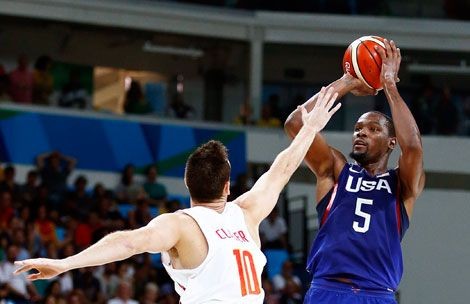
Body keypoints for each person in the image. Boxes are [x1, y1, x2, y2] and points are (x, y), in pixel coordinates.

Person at [13, 87, 341, 303]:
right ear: (228, 187)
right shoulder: (247, 212)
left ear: (187, 184)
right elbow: (282, 169)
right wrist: (310, 128)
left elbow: (127, 242)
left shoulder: (180, 225)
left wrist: (64, 263)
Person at [284, 39, 425, 303]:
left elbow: (414, 148)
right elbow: (295, 124)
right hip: (327, 290)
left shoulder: (401, 184)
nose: (361, 132)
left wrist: (390, 87)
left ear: (391, 142)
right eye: (358, 128)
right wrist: (348, 79)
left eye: (373, 129)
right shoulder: (336, 170)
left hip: (377, 294)